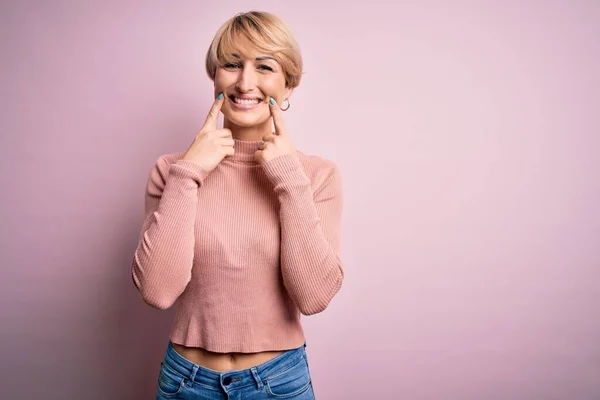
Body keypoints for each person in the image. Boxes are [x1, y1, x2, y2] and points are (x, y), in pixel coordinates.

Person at [131, 10, 344, 399]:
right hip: (185, 383)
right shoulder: (172, 170)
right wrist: (187, 174)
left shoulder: (315, 175)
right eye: (231, 65)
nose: (245, 83)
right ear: (215, 77)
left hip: (279, 383)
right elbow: (158, 292)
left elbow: (314, 297)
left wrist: (287, 177)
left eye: (264, 67)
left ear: (289, 85)